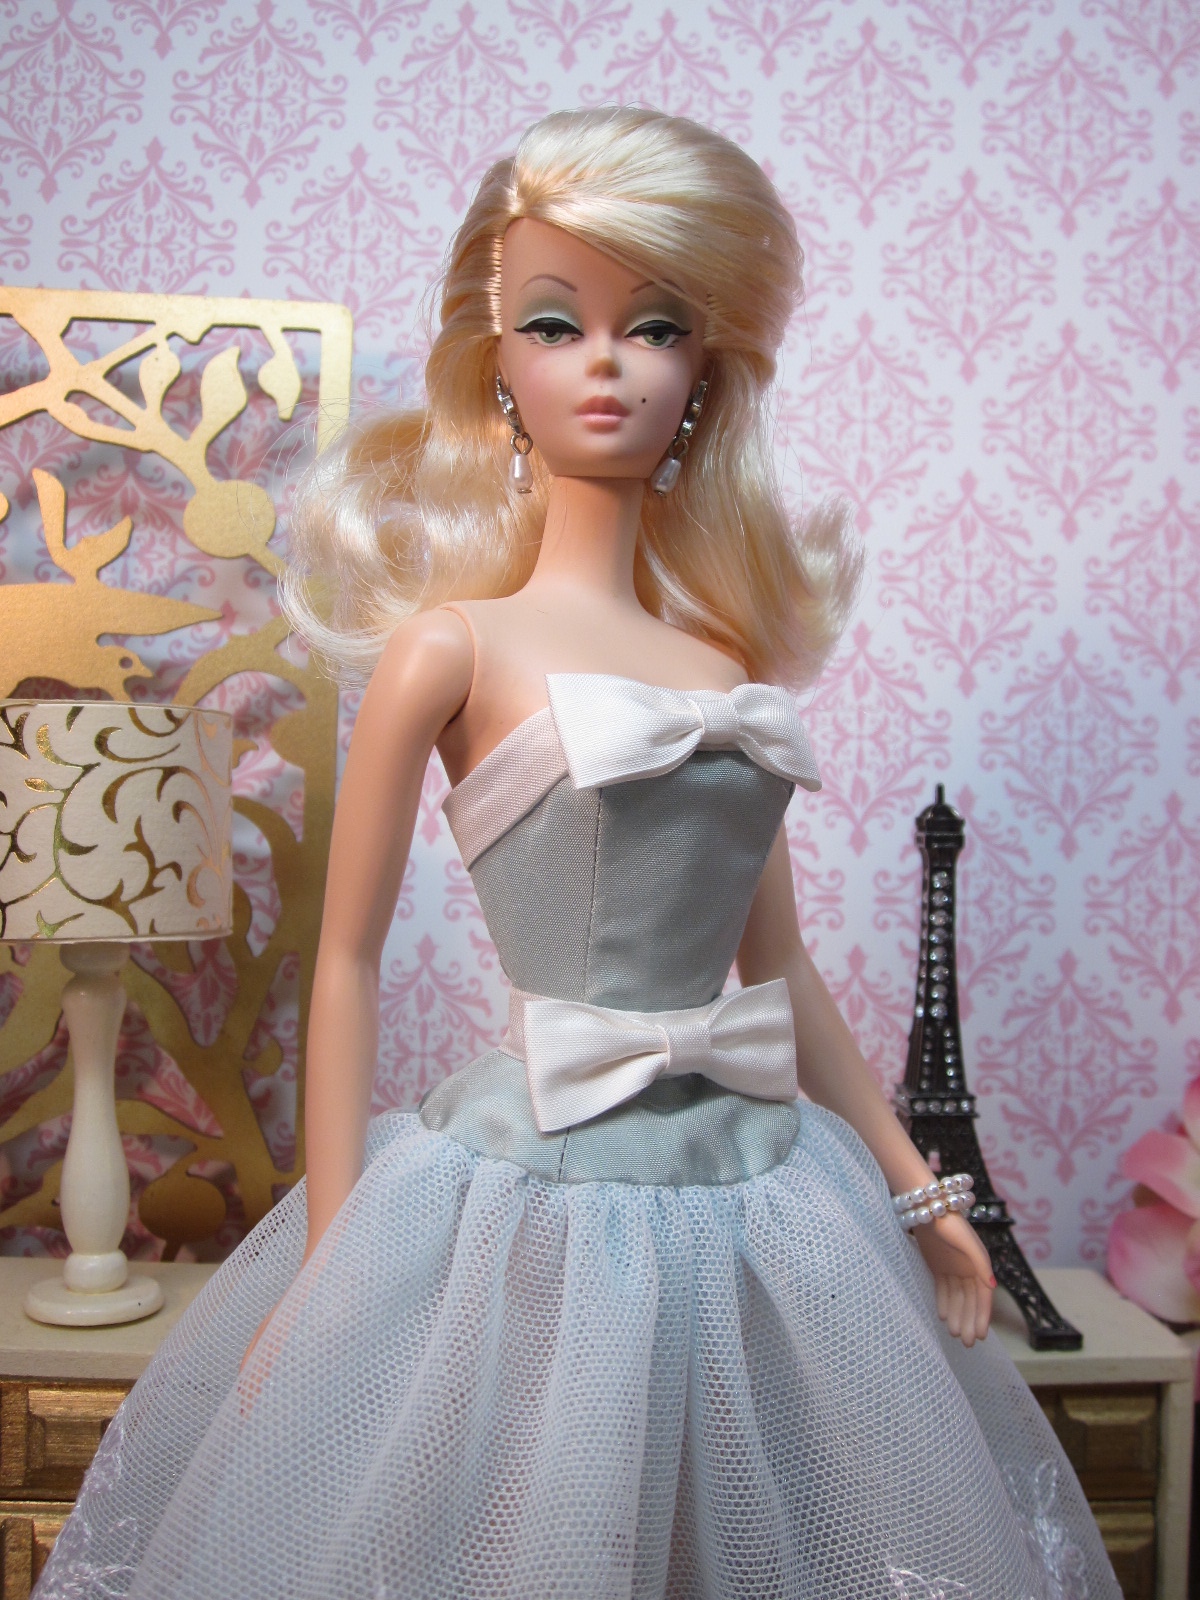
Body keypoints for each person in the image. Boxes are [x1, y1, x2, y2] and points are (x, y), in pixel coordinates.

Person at [36, 107, 1119, 1600]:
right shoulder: (450, 647)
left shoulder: (723, 661)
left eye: (654, 326)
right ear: (500, 364)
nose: (608, 364)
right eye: (558, 323)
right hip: (535, 1188)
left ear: (705, 372)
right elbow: (344, 961)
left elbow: (782, 967)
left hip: (758, 1185)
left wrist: (919, 1189)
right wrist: (334, 1261)